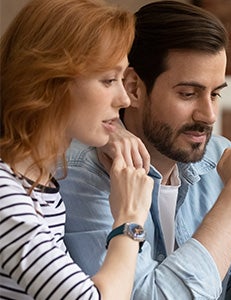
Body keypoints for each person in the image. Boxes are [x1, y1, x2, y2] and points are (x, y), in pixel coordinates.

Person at [58, 1, 231, 299]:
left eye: (216, 93)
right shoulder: (81, 172)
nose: (209, 115)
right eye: (188, 94)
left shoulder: (218, 157)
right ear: (133, 88)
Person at [0, 0, 153, 299]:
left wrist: (112, 131)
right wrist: (130, 217)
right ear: (50, 82)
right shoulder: (5, 192)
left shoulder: (40, 181)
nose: (124, 99)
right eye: (109, 80)